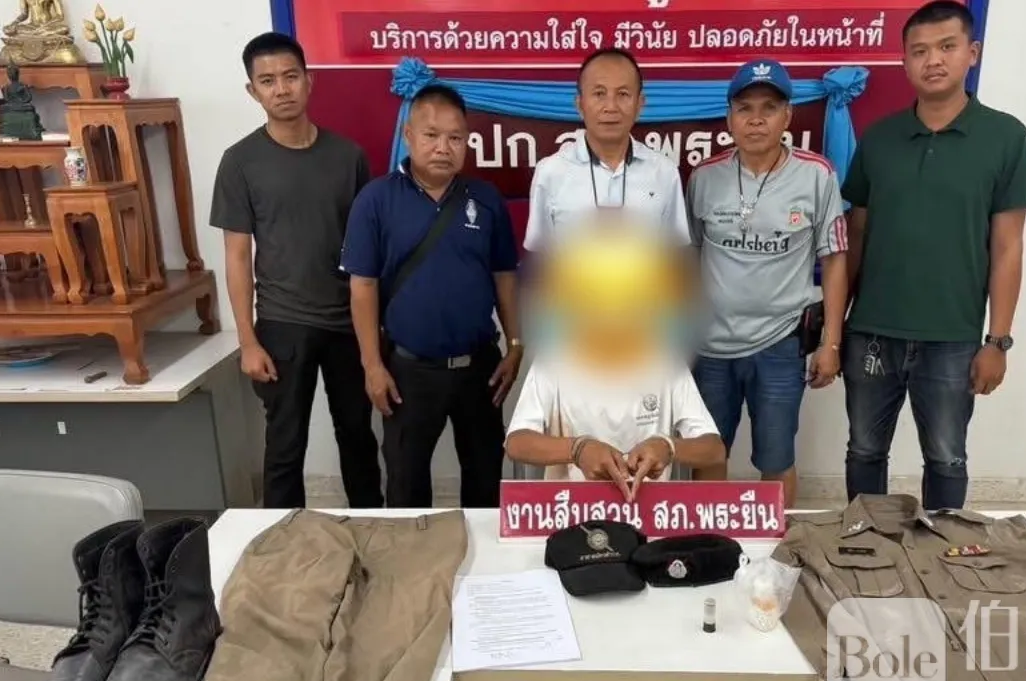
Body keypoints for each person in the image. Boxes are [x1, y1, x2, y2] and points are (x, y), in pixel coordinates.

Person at [841, 1, 1026, 510]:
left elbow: (1008, 245)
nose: (933, 60)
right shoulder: (879, 138)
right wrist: (836, 328)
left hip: (952, 336)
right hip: (873, 331)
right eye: (919, 51)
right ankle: (868, 543)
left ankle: (945, 547)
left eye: (947, 47)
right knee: (864, 450)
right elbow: (856, 235)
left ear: (972, 53)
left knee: (947, 456)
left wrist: (998, 340)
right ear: (904, 61)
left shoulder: (1005, 137)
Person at [211, 32, 382, 509]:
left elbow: (368, 252)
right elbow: (237, 256)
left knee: (358, 437)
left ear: (309, 81)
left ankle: (371, 527)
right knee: (285, 445)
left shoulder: (348, 156)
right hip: (283, 324)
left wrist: (375, 329)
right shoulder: (240, 162)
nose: (281, 89)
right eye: (267, 81)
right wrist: (248, 341)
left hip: (348, 322)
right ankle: (279, 539)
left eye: (290, 76)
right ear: (253, 91)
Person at [342, 84, 522, 509]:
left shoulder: (485, 199)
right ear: (408, 135)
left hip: (479, 369)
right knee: (406, 485)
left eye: (455, 137)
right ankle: (412, 552)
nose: (444, 147)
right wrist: (372, 365)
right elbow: (362, 287)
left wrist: (515, 344)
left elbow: (505, 275)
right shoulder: (376, 200)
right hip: (408, 370)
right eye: (431, 135)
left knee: (485, 482)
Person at [688, 59, 849, 508]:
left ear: (788, 116)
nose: (756, 119)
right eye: (745, 108)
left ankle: (777, 544)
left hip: (780, 343)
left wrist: (832, 343)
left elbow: (835, 259)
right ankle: (706, 536)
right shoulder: (704, 177)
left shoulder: (817, 175)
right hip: (711, 346)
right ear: (729, 118)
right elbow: (687, 261)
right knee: (707, 452)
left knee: (777, 458)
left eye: (769, 108)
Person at [505, 225, 725, 501]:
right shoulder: (555, 359)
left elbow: (713, 449)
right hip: (573, 512)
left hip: (649, 511)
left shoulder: (665, 361)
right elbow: (517, 442)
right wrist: (577, 449)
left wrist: (668, 447)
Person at [523, 48, 690, 250]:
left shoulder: (664, 172)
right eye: (599, 93)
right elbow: (541, 255)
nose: (610, 107)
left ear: (640, 105)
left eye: (623, 94)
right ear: (580, 104)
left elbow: (674, 253)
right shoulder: (550, 172)